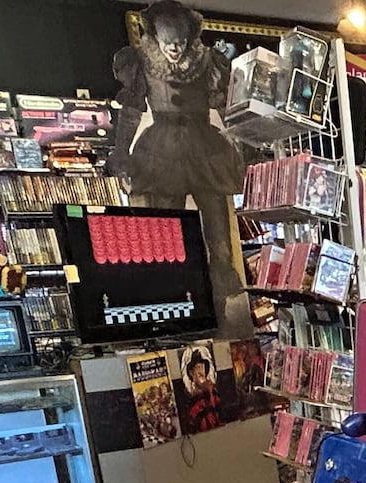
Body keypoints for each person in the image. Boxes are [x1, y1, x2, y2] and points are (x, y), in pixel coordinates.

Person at [109, 1, 249, 336]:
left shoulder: (208, 62)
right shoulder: (140, 62)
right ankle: (176, 314)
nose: (174, 49)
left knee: (219, 237)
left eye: (181, 43)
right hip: (162, 150)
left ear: (190, 39)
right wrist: (119, 151)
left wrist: (248, 142)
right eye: (169, 42)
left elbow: (226, 107)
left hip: (204, 148)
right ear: (154, 37)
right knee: (167, 236)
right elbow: (130, 110)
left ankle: (223, 312)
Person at [182, 347, 224, 432]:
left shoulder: (212, 390)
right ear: (191, 372)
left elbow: (219, 410)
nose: (201, 370)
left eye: (203, 367)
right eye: (198, 367)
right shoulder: (190, 396)